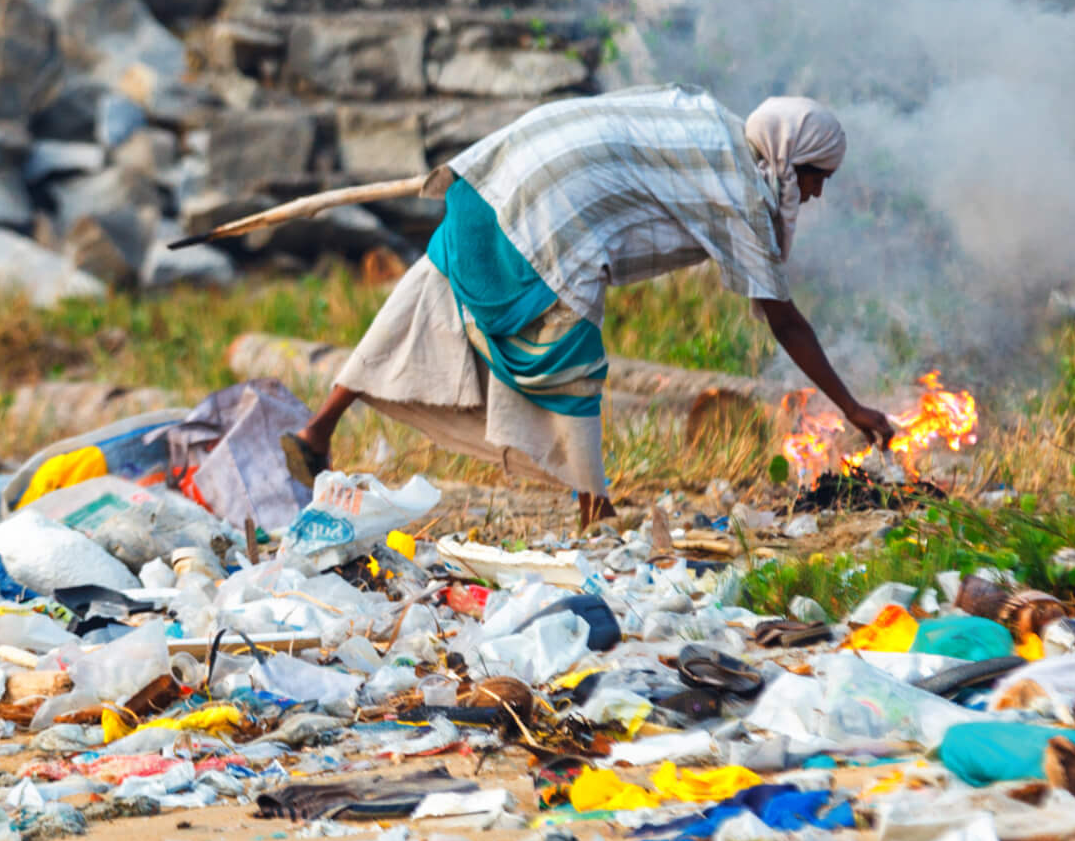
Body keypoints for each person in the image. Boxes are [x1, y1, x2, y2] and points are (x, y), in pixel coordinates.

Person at [284, 85, 896, 545]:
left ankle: (318, 430)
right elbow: (783, 319)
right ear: (794, 160)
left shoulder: (710, 119)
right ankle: (594, 510)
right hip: (554, 214)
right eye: (818, 179)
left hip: (496, 174)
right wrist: (852, 408)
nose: (815, 195)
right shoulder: (740, 193)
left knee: (424, 297)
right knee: (571, 363)